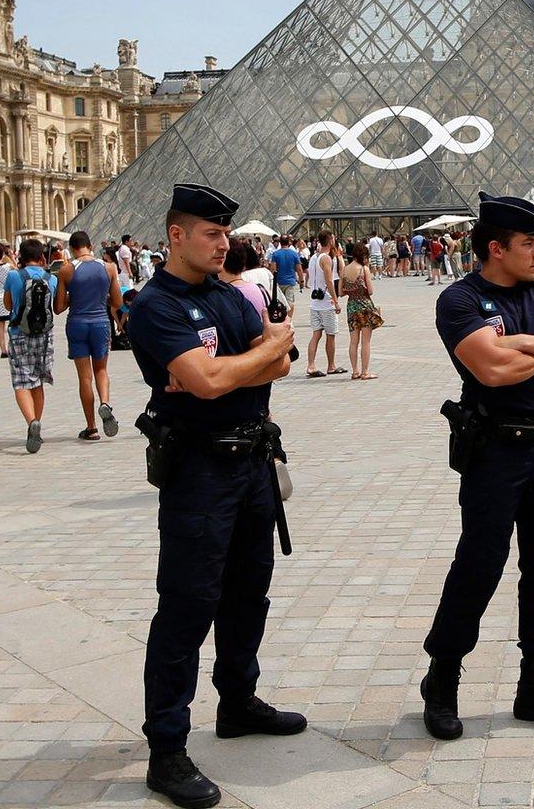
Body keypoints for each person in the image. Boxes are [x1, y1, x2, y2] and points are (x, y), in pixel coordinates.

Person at [128, 184, 304, 809]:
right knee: (186, 606)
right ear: (177, 235)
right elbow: (206, 382)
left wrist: (250, 359)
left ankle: (237, 700)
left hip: (253, 463)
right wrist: (263, 349)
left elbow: (275, 367)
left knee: (247, 591)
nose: (223, 242)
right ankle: (167, 750)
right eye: (211, 233)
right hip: (200, 471)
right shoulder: (154, 305)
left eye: (225, 233)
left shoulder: (226, 296)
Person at [420, 192, 534, 742]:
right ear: (495, 248)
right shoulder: (460, 300)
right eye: (528, 243)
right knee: (479, 567)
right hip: (495, 453)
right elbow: (491, 372)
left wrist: (519, 343)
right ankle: (442, 679)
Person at [57, 230, 123, 443]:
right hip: (101, 323)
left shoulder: (67, 269)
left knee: (84, 377)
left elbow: (58, 307)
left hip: (77, 323)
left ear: (72, 248)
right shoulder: (109, 267)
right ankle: (105, 403)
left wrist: (71, 298)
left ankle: (91, 427)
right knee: (101, 370)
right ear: (90, 245)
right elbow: (118, 303)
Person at [1, 238, 56, 454]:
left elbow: (7, 305)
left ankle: (31, 421)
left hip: (18, 333)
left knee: (22, 382)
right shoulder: (50, 278)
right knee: (38, 380)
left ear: (20, 257)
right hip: (44, 335)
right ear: (42, 256)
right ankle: (38, 425)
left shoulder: (14, 276)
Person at [342, 243, 384, 380]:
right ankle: (365, 372)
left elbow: (340, 292)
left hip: (351, 306)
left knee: (353, 341)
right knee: (366, 341)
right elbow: (370, 291)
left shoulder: (344, 270)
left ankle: (355, 371)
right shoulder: (364, 269)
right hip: (364, 306)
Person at [306, 230, 344, 377]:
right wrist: (335, 301)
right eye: (333, 238)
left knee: (316, 334)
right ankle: (331, 365)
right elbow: (329, 281)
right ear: (329, 240)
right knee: (331, 335)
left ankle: (311, 365)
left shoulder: (313, 257)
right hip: (326, 303)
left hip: (314, 302)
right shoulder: (326, 259)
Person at [268, 236, 303, 312]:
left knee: (279, 302)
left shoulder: (275, 254)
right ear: (289, 243)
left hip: (279, 282)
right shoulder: (294, 254)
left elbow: (273, 269)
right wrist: (301, 281)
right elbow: (299, 269)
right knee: (290, 301)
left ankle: (282, 319)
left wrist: (271, 282)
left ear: (280, 243)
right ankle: (289, 320)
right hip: (290, 282)